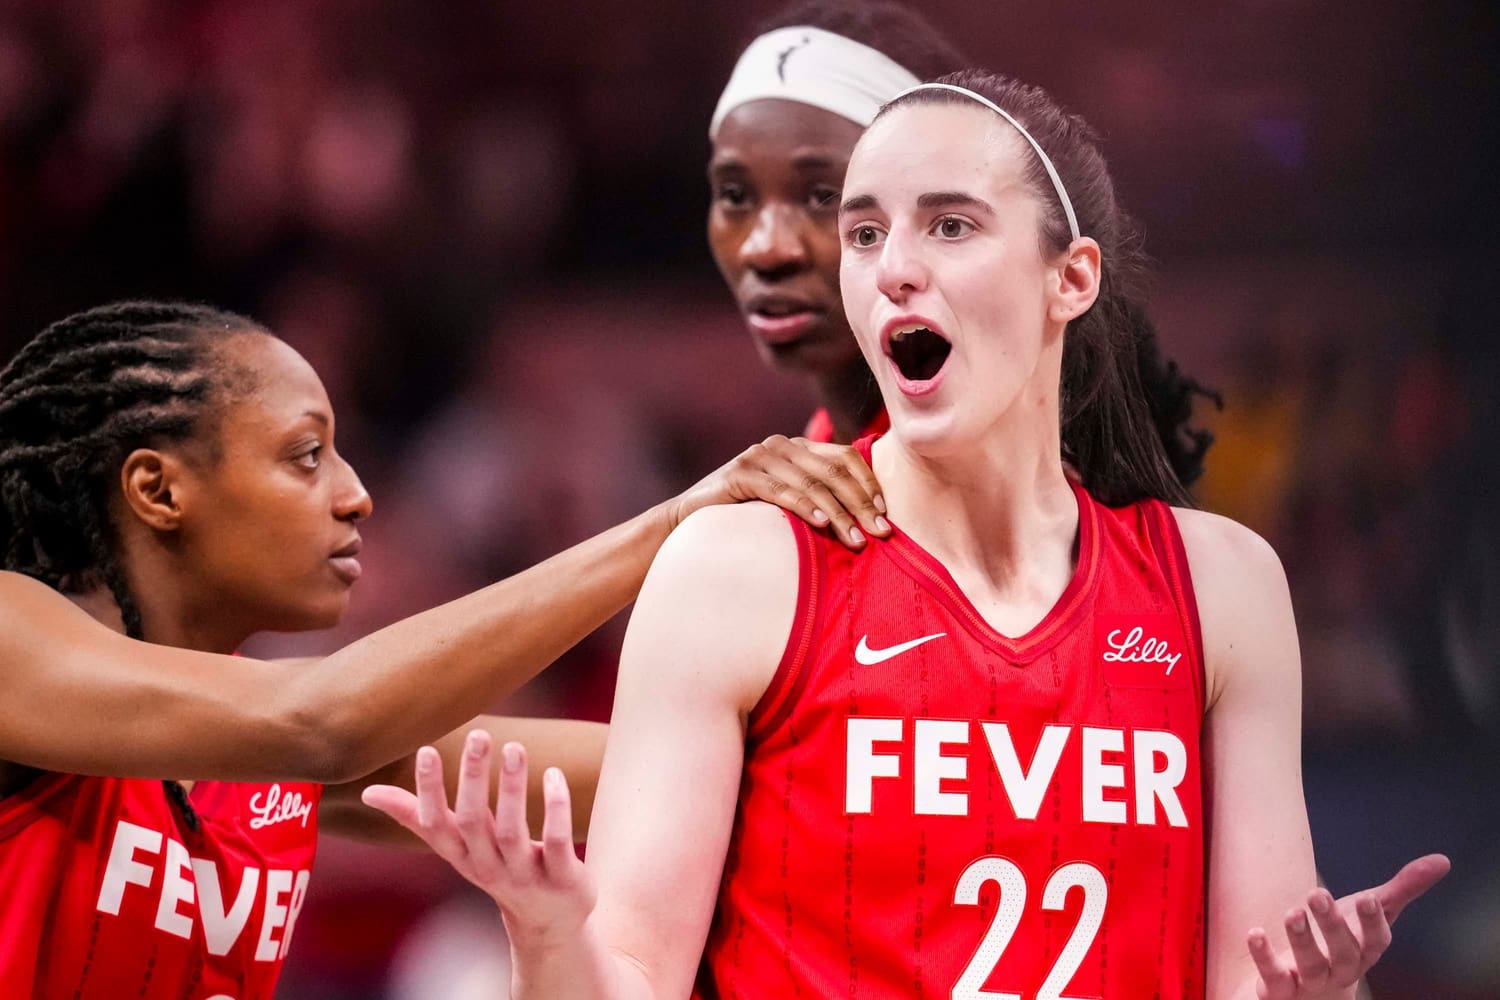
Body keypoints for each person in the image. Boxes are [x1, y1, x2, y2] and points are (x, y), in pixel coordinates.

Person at [371, 72, 1450, 998]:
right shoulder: (741, 570)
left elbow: (1258, 979)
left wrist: (1325, 985)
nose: (892, 266)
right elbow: (630, 976)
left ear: (1071, 277)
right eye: (866, 232)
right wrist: (547, 931)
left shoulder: (1221, 586)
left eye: (949, 224)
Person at [0, 299, 889, 998]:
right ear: (158, 488)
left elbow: (677, 776)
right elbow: (321, 721)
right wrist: (669, 526)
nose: (356, 496)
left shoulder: (251, 749)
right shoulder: (12, 631)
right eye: (306, 456)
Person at [708, 0, 1216, 499]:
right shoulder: (798, 473)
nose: (766, 249)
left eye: (825, 197)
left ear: (1072, 277)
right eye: (734, 196)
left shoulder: (1062, 511)